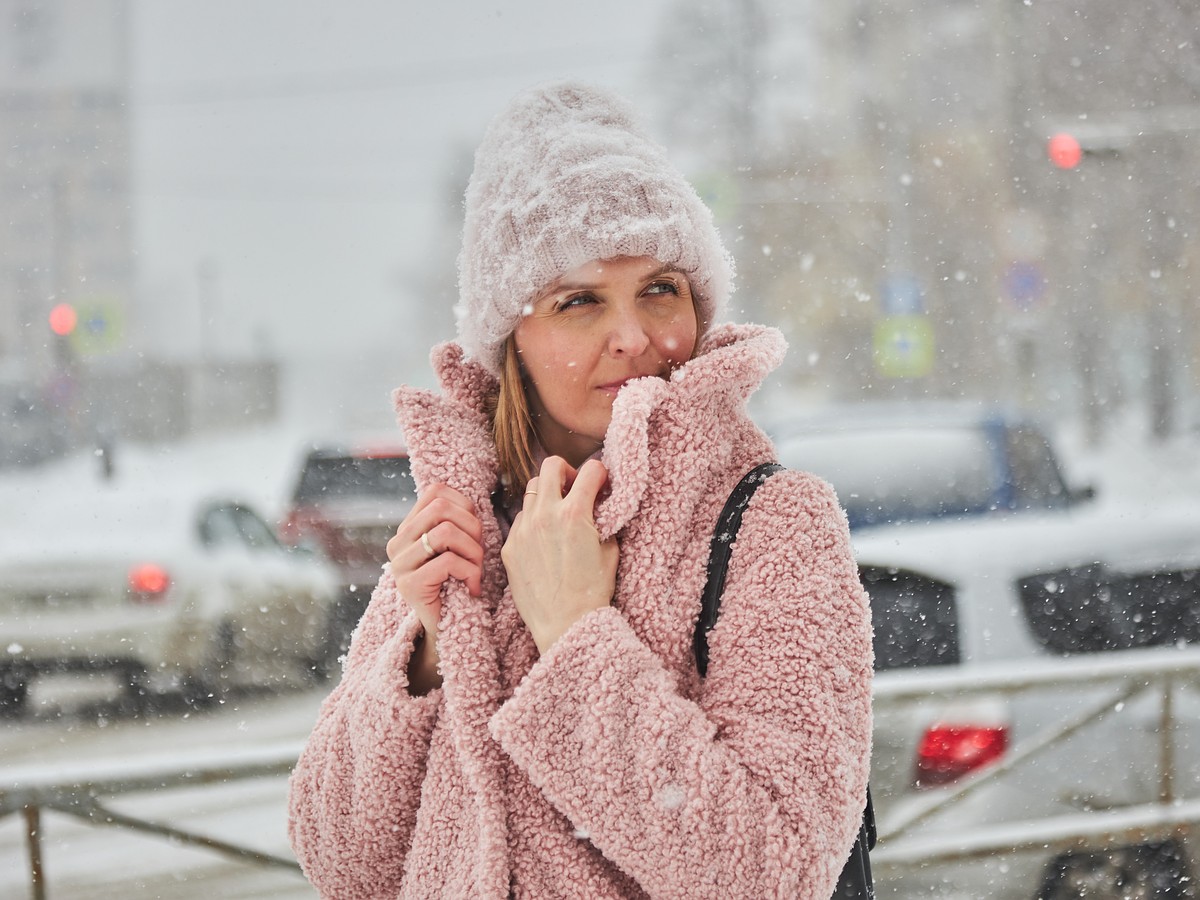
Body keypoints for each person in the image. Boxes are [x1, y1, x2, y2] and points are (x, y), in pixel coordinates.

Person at [288, 81, 872, 900]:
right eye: (579, 301)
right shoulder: (462, 524)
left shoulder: (772, 524)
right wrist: (424, 650)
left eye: (660, 289)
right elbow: (342, 864)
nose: (634, 337)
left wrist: (574, 639)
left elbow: (772, 871)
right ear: (510, 342)